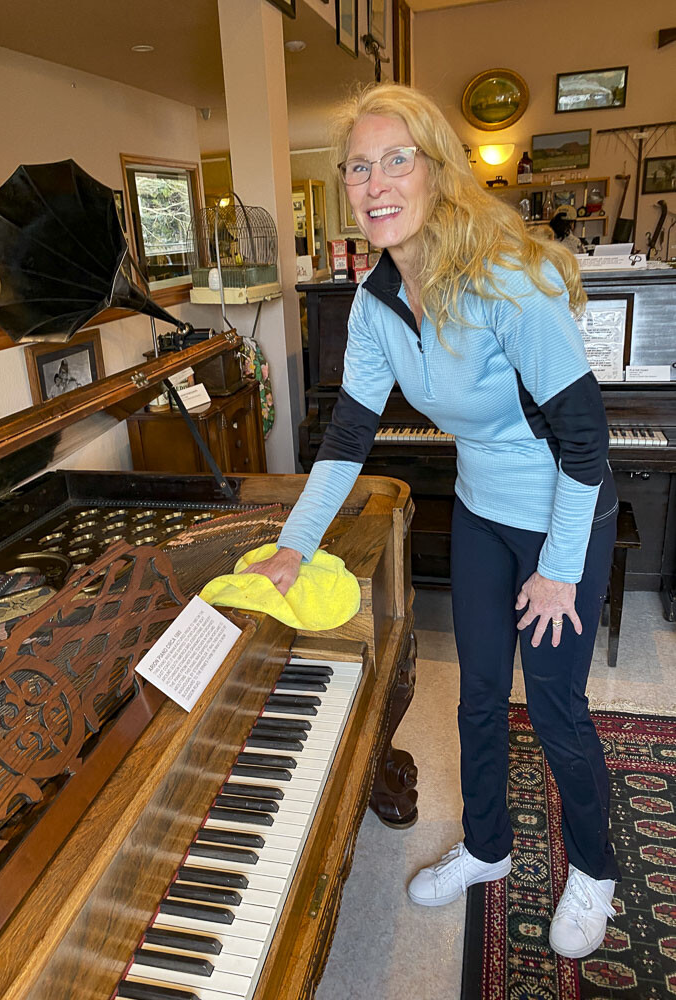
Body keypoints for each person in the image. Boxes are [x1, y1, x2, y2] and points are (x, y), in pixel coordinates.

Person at [250, 82, 622, 959]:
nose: (374, 183)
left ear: (437, 172)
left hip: (565, 515)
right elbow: (347, 436)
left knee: (559, 711)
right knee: (480, 696)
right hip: (485, 513)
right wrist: (292, 549)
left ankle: (596, 872)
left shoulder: (505, 281)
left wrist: (560, 565)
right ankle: (490, 849)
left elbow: (585, 437)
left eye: (395, 160)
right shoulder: (378, 300)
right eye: (357, 168)